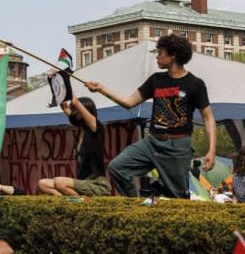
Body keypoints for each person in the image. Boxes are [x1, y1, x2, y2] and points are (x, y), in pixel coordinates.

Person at [87, 34, 216, 198]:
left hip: (177, 147)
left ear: (173, 55)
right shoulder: (156, 80)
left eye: (161, 52)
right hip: (152, 142)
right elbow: (129, 102)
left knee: (177, 196)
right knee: (116, 168)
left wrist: (211, 150)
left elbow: (208, 118)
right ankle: (136, 208)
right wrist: (101, 89)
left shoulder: (195, 84)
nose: (157, 56)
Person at [38, 94, 111, 197]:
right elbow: (64, 106)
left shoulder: (95, 127)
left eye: (76, 110)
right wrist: (57, 84)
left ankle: (82, 203)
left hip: (96, 183)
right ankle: (72, 202)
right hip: (82, 182)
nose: (73, 113)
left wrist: (66, 79)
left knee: (60, 182)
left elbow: (75, 102)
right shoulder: (81, 129)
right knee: (43, 184)